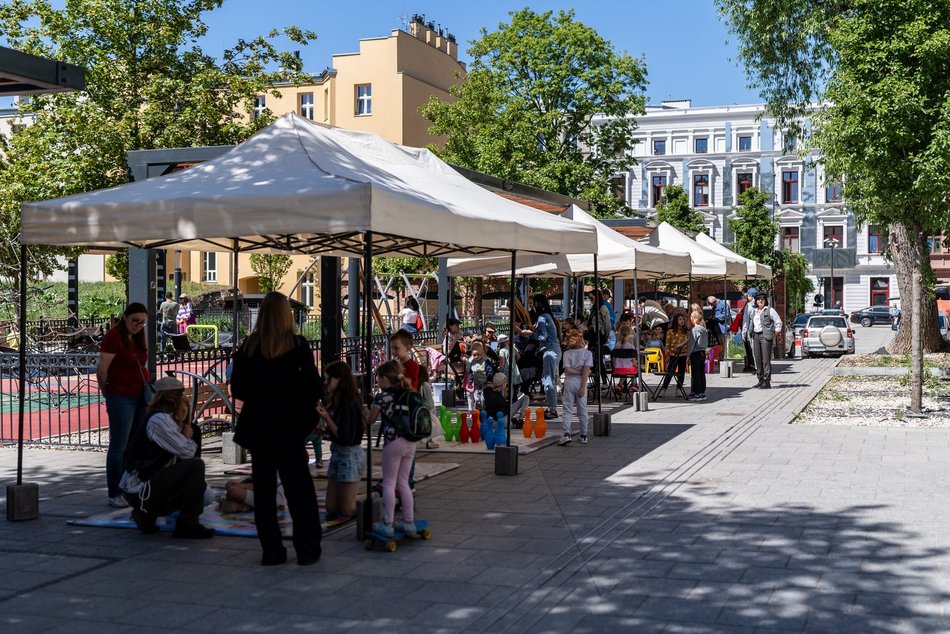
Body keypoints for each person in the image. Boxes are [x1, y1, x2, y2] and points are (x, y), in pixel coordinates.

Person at [230, 291, 324, 566]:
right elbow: (312, 387)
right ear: (287, 315)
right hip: (289, 426)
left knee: (265, 490)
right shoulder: (297, 346)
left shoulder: (249, 346)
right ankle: (307, 549)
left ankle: (271, 550)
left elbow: (239, 388)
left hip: (259, 427)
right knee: (298, 490)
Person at [120, 376, 214, 539]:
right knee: (196, 466)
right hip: (141, 486)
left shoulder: (170, 419)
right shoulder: (159, 419)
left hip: (153, 479)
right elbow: (187, 452)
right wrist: (187, 437)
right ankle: (186, 524)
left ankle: (148, 514)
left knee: (206, 495)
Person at [96, 302, 151, 508]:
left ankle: (129, 486)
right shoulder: (113, 337)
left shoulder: (137, 337)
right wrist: (108, 394)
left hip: (139, 395)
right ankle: (115, 491)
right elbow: (102, 370)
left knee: (134, 444)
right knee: (118, 445)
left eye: (142, 323)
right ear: (125, 317)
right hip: (121, 396)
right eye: (135, 321)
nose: (138, 325)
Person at [365, 360, 417, 538]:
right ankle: (409, 522)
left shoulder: (383, 397)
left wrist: (364, 408)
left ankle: (387, 522)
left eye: (378, 378)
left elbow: (370, 420)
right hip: (411, 442)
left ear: (385, 379)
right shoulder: (409, 393)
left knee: (389, 482)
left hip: (393, 442)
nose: (377, 381)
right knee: (404, 483)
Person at [316, 361, 365, 521]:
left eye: (328, 379)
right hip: (338, 453)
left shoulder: (350, 403)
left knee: (347, 509)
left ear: (339, 379)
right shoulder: (337, 401)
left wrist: (327, 418)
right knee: (331, 508)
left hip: (349, 454)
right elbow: (335, 433)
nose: (326, 383)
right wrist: (322, 430)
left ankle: (375, 498)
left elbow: (345, 436)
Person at [521, 294, 561, 419]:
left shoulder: (542, 318)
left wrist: (530, 333)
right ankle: (551, 407)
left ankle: (552, 409)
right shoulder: (548, 316)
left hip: (549, 351)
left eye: (533, 304)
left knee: (549, 381)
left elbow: (542, 336)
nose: (531, 307)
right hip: (554, 349)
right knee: (549, 379)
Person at [558, 329, 592, 445]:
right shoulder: (588, 354)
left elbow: (567, 369)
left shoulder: (567, 354)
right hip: (581, 383)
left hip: (569, 382)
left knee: (567, 409)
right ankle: (583, 435)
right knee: (582, 410)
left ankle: (566, 433)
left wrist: (576, 372)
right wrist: (582, 382)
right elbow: (586, 371)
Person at [750, 294, 783, 390]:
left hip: (765, 336)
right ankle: (760, 379)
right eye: (758, 300)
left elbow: (778, 322)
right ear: (756, 301)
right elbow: (752, 323)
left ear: (765, 301)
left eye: (762, 299)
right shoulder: (754, 311)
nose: (760, 301)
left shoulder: (769, 310)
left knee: (765, 359)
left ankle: (766, 380)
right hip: (756, 335)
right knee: (757, 358)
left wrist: (775, 332)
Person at [658, 313, 689, 398]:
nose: (682, 321)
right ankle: (663, 389)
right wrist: (667, 356)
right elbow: (667, 344)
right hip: (673, 355)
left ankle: (679, 389)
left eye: (683, 319)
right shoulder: (670, 332)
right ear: (676, 321)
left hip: (683, 355)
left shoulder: (686, 332)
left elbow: (688, 343)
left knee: (681, 373)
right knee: (669, 372)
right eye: (680, 319)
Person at [465, 340, 494, 411]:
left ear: (482, 354)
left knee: (483, 397)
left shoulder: (486, 361)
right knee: (477, 397)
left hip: (485, 382)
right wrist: (470, 380)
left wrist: (490, 380)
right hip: (477, 383)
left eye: (478, 354)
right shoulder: (472, 362)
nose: (476, 357)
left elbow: (489, 371)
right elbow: (471, 372)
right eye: (474, 355)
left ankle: (484, 408)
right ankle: (478, 408)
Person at [686, 310, 708, 401]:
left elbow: (691, 343)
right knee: (701, 372)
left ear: (694, 319)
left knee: (695, 374)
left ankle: (697, 392)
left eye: (691, 317)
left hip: (695, 352)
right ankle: (702, 391)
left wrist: (688, 355)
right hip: (702, 352)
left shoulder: (694, 330)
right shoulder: (704, 330)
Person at [418, 366, 441, 448]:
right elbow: (429, 402)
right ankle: (429, 441)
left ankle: (426, 441)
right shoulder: (425, 385)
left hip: (418, 409)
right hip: (426, 410)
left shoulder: (416, 384)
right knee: (431, 425)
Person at [740, 288, 758, 373]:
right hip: (760, 331)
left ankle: (755, 367)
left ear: (751, 296)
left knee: (752, 350)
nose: (747, 297)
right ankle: (759, 368)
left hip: (751, 331)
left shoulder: (749, 306)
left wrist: (743, 333)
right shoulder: (760, 304)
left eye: (748, 295)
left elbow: (745, 321)